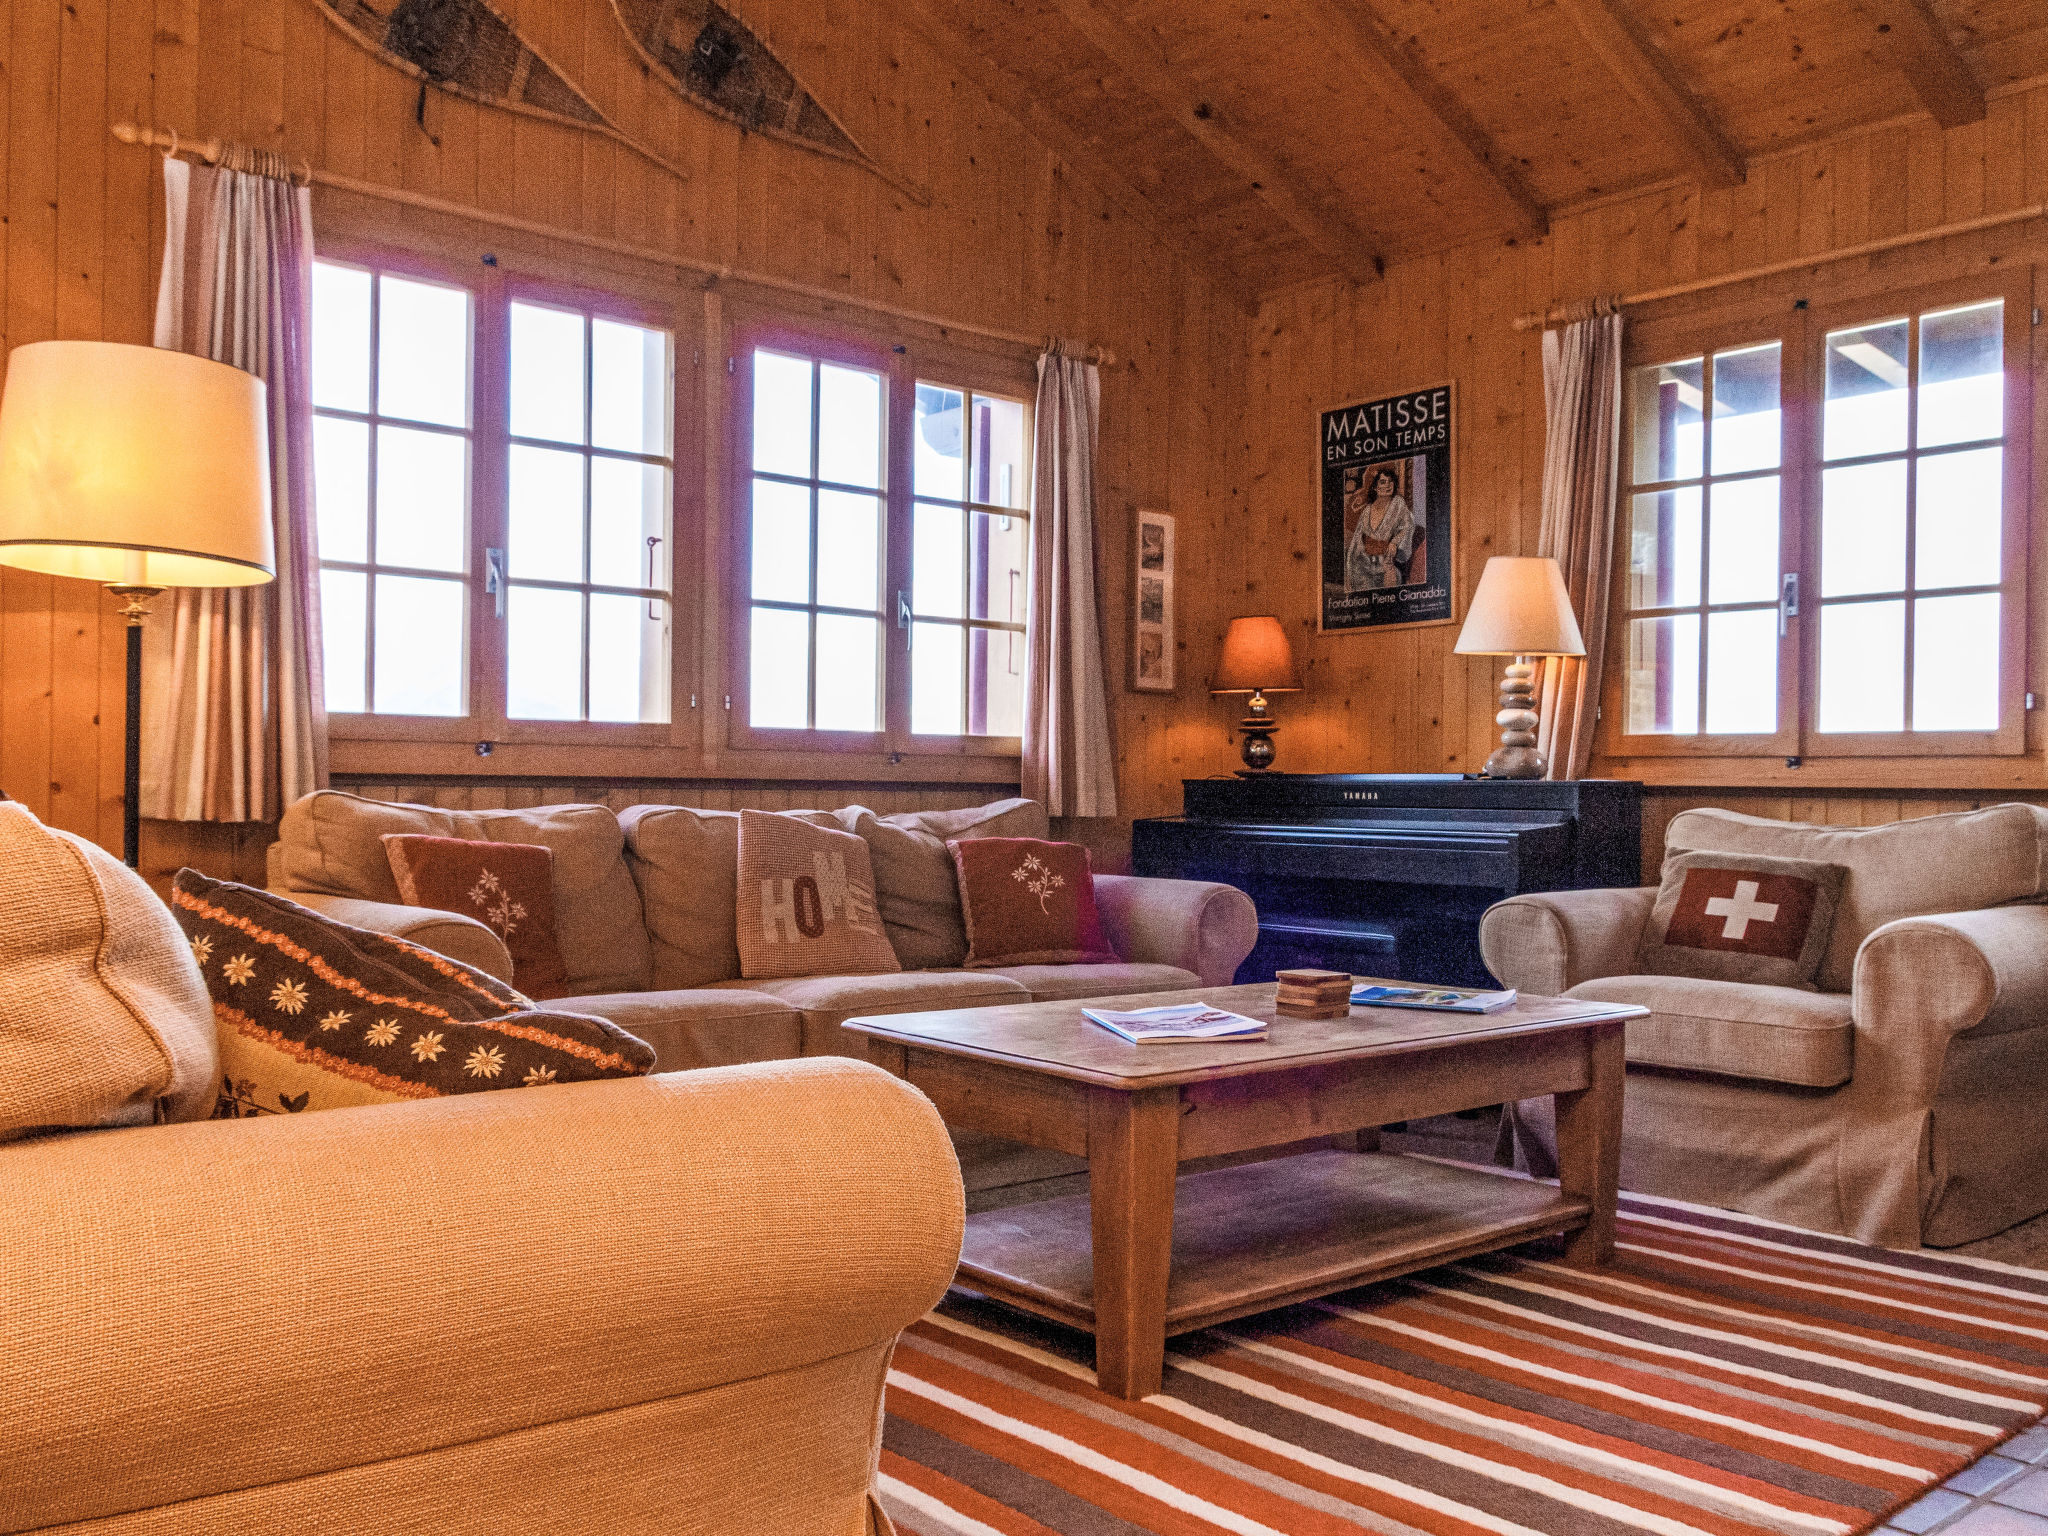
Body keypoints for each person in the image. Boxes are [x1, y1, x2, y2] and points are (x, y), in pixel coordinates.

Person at [1344, 466, 1416, 592]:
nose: (1388, 485)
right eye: (1383, 482)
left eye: (1391, 481)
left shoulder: (1398, 503)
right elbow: (1358, 538)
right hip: (1364, 562)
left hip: (1386, 561)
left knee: (1393, 580)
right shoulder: (1367, 510)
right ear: (1375, 487)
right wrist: (1355, 558)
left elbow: (1407, 525)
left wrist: (1394, 542)